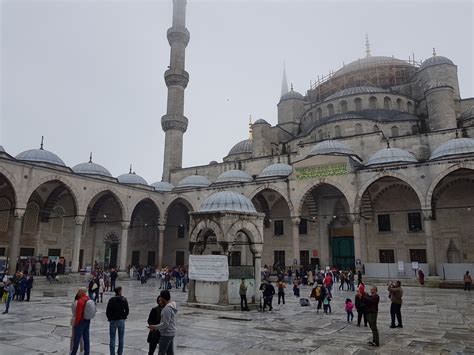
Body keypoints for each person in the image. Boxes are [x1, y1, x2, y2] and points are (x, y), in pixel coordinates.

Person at [148, 290, 177, 355]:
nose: (160, 299)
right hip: (171, 333)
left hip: (166, 334)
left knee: (161, 352)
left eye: (161, 297)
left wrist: (154, 327)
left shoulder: (166, 309)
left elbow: (165, 324)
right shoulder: (173, 304)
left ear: (163, 298)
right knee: (170, 352)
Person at [106, 287, 129, 355]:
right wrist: (124, 317)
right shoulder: (124, 299)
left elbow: (108, 311)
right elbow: (127, 310)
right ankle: (120, 352)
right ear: (119, 291)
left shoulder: (111, 300)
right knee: (121, 338)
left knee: (112, 338)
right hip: (121, 320)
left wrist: (110, 318)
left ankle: (112, 353)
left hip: (113, 320)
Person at [71, 287, 91, 355]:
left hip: (81, 322)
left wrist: (76, 323)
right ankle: (87, 352)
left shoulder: (80, 301)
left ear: (83, 292)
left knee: (77, 339)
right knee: (86, 338)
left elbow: (78, 314)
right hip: (87, 320)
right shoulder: (88, 298)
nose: (78, 293)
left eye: (79, 291)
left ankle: (73, 353)